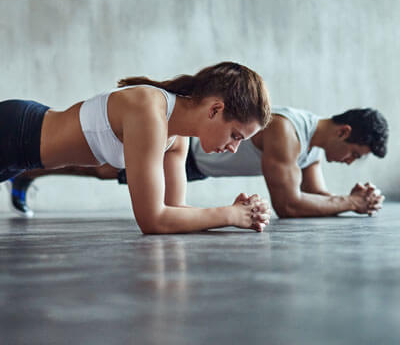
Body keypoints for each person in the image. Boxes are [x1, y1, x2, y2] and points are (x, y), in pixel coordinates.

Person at [0, 62, 273, 233]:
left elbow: (173, 209)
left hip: (21, 157)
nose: (234, 148)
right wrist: (230, 215)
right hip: (12, 132)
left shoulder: (177, 138)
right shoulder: (149, 111)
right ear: (215, 109)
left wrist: (235, 211)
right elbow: (153, 220)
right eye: (235, 135)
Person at [9, 106, 388, 218]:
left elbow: (314, 194)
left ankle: (26, 170)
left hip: (200, 166)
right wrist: (350, 204)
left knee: (104, 169)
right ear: (344, 132)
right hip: (190, 148)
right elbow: (289, 205)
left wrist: (351, 199)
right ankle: (27, 168)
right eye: (356, 154)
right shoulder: (287, 132)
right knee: (101, 165)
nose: (351, 162)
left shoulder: (316, 148)